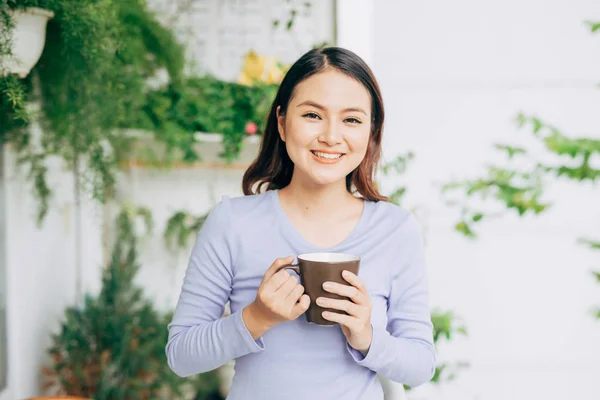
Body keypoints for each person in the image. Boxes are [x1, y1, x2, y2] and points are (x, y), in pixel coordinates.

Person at [166, 46, 436, 399]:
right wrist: (257, 317)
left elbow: (421, 365)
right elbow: (181, 356)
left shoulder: (395, 229)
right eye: (313, 115)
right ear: (281, 122)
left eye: (351, 119)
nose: (330, 136)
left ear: (371, 133)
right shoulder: (232, 223)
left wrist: (365, 335)